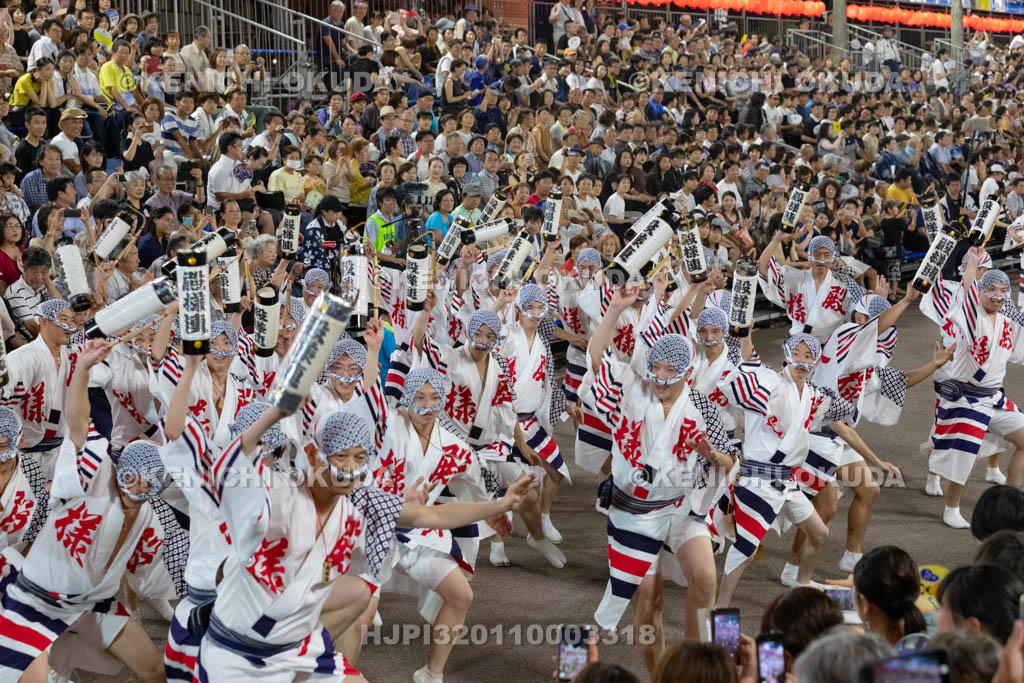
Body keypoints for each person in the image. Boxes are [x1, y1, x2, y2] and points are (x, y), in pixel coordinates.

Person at [584, 281, 737, 675]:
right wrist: (615, 311)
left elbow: (727, 463)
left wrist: (709, 453)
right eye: (656, 367)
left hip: (680, 507)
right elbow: (598, 358)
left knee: (705, 579)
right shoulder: (632, 391)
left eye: (671, 370)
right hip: (634, 511)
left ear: (688, 371)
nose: (661, 376)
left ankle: (693, 668)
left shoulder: (701, 407)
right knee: (648, 603)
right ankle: (659, 674)